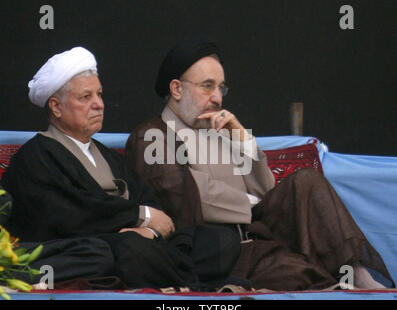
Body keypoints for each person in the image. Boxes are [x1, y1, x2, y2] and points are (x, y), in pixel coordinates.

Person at [125, 38, 395, 290]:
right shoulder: (152, 135)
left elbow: (267, 189)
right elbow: (190, 197)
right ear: (176, 89)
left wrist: (242, 138)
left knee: (306, 182)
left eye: (221, 87)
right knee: (303, 274)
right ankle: (340, 281)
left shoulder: (218, 129)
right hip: (221, 250)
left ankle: (358, 272)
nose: (218, 97)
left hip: (259, 236)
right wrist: (252, 205)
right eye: (207, 86)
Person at [2, 46, 242, 290]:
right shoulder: (35, 156)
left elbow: (153, 207)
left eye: (100, 95)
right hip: (88, 247)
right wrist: (139, 218)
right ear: (56, 106)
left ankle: (178, 279)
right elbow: (71, 214)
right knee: (110, 252)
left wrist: (151, 232)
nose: (99, 105)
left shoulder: (109, 157)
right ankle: (194, 283)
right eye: (86, 97)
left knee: (219, 240)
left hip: (139, 247)